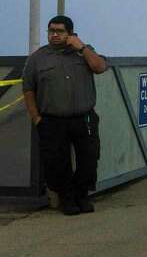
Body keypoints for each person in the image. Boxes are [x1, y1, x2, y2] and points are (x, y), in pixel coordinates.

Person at [22, 15, 108, 215]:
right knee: (57, 163)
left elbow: (100, 67)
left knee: (89, 158)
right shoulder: (37, 58)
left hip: (84, 118)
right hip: (52, 120)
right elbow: (28, 90)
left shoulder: (84, 53)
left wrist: (82, 47)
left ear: (70, 33)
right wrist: (36, 119)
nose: (54, 35)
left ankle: (82, 195)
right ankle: (67, 199)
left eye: (59, 31)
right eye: (51, 31)